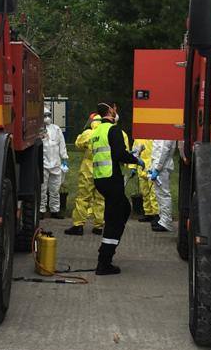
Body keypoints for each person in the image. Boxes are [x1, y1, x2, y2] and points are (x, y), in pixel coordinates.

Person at [91, 102, 143, 275]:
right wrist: (136, 160)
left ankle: (105, 257)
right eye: (115, 109)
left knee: (117, 212)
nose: (116, 111)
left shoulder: (97, 131)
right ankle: (104, 262)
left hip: (100, 179)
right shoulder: (114, 130)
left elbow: (111, 154)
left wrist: (131, 156)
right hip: (112, 179)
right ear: (110, 111)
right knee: (118, 216)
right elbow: (119, 154)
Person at [65, 113, 104, 236]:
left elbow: (78, 144)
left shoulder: (88, 133)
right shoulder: (107, 133)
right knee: (100, 199)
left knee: (83, 198)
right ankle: (98, 226)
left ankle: (78, 225)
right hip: (103, 170)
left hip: (88, 169)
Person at [40, 108, 68, 218]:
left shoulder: (56, 129)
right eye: (44, 115)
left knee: (55, 189)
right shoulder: (39, 130)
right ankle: (41, 210)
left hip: (56, 163)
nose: (47, 117)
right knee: (42, 188)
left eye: (48, 115)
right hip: (43, 163)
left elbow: (62, 145)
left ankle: (55, 210)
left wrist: (64, 160)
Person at [149, 138, 176, 233]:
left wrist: (157, 168)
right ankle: (162, 220)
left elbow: (163, 150)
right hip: (161, 166)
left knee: (163, 195)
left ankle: (166, 222)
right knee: (160, 195)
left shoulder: (165, 133)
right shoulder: (163, 132)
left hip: (162, 167)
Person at [133, 138, 159, 223]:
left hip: (151, 167)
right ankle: (148, 213)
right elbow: (134, 154)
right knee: (144, 192)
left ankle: (156, 214)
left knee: (153, 192)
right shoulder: (137, 139)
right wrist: (133, 167)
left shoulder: (153, 138)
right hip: (141, 168)